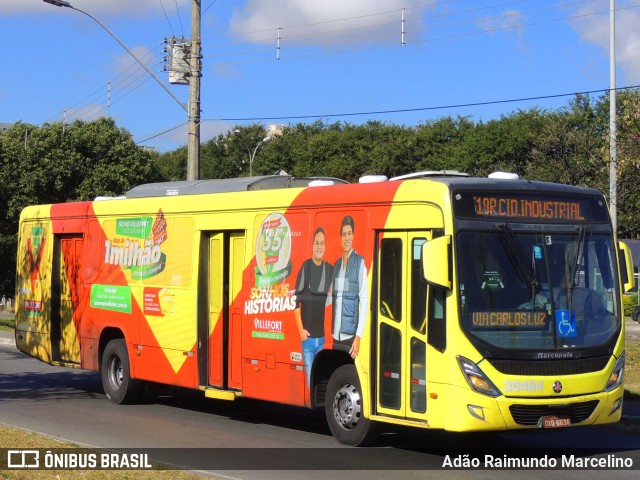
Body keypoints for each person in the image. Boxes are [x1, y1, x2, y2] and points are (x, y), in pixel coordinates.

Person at [294, 227, 333, 387]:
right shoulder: (306, 267)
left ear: (325, 246)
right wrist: (301, 331)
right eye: (316, 243)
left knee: (318, 383)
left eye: (322, 243)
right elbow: (296, 302)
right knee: (311, 383)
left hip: (322, 339)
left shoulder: (329, 269)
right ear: (312, 246)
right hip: (308, 340)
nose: (319, 246)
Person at [331, 215, 368, 359]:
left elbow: (364, 301)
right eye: (344, 234)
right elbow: (336, 297)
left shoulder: (359, 263)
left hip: (350, 336)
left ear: (353, 236)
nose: (347, 238)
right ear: (341, 237)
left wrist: (358, 336)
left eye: (349, 234)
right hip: (335, 335)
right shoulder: (337, 266)